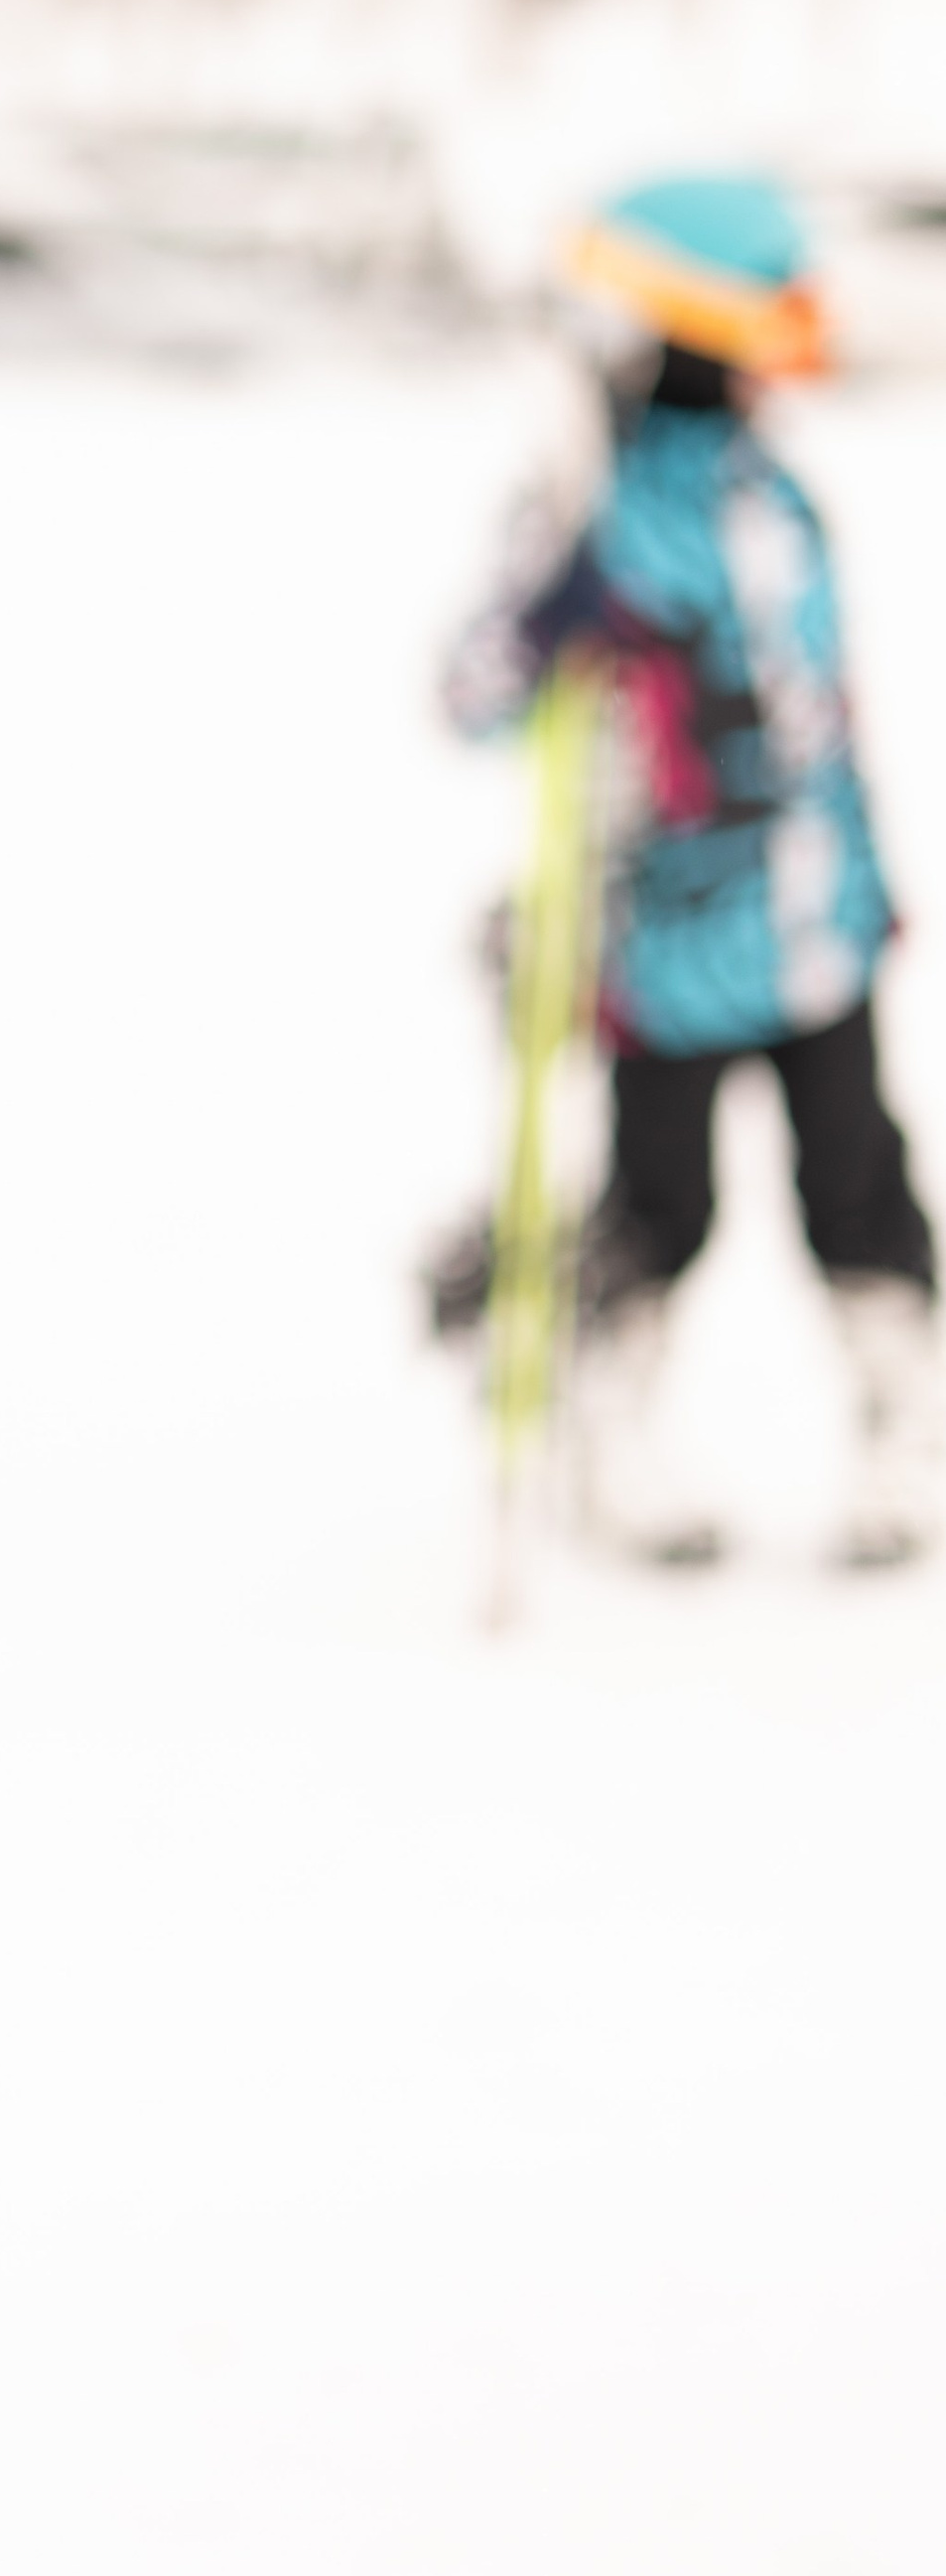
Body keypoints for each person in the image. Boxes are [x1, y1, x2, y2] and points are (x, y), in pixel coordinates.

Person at [441, 172, 936, 1571]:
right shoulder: (595, 519)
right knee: (664, 1201)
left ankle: (907, 1427)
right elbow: (472, 688)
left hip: (819, 924)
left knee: (859, 1184)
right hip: (665, 945)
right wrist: (545, 621)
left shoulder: (779, 497)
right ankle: (615, 1433)